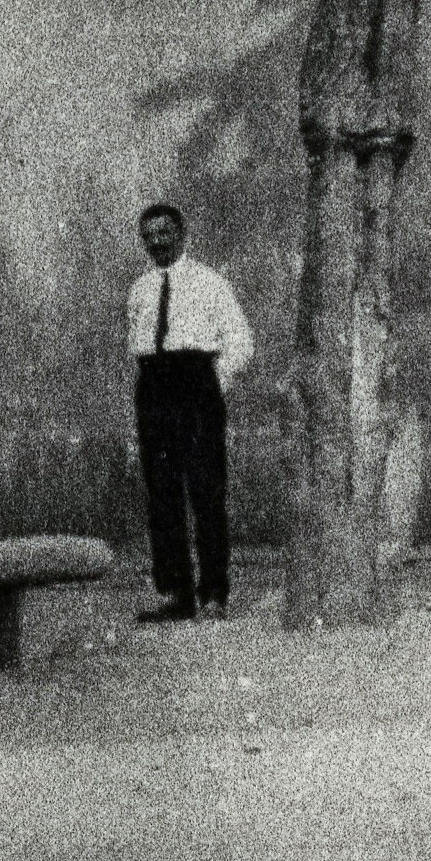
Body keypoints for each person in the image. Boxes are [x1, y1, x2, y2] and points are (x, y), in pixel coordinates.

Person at [125, 202, 252, 622]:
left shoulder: (209, 282)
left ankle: (214, 593)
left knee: (206, 490)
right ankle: (176, 594)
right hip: (154, 386)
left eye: (164, 233)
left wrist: (213, 383)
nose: (156, 242)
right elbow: (137, 341)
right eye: (149, 236)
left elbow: (239, 339)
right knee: (162, 492)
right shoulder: (140, 288)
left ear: (181, 234)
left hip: (195, 385)